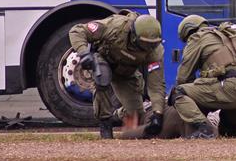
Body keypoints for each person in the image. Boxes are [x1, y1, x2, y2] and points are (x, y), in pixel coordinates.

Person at [69, 10, 166, 139]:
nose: (148, 48)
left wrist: (158, 114)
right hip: (104, 61)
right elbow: (77, 31)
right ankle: (105, 123)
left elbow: (156, 86)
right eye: (145, 44)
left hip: (126, 72)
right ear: (134, 36)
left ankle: (116, 116)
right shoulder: (114, 26)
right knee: (102, 79)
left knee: (136, 114)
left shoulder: (155, 52)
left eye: (152, 45)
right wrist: (84, 53)